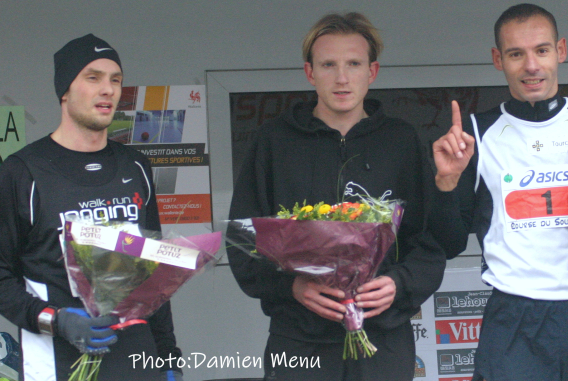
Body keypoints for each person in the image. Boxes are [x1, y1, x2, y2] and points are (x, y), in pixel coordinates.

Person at [227, 12, 446, 381]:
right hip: (299, 340)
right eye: (328, 64)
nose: (342, 78)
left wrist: (399, 284)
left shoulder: (401, 141)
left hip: (383, 341)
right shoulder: (274, 142)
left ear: (372, 71)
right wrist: (291, 287)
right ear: (310, 72)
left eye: (354, 64)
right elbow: (242, 239)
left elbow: (430, 241)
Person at [431, 4, 568, 380]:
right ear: (498, 59)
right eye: (516, 54)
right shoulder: (475, 136)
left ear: (560, 50)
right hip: (515, 320)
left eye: (541, 50)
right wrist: (446, 184)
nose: (531, 65)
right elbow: (448, 242)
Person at [0, 34, 183, 380]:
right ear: (64, 91)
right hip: (57, 363)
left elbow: (155, 278)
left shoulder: (136, 166)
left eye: (116, 80)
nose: (109, 89)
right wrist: (55, 320)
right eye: (93, 77)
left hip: (136, 361)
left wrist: (168, 358)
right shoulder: (22, 172)